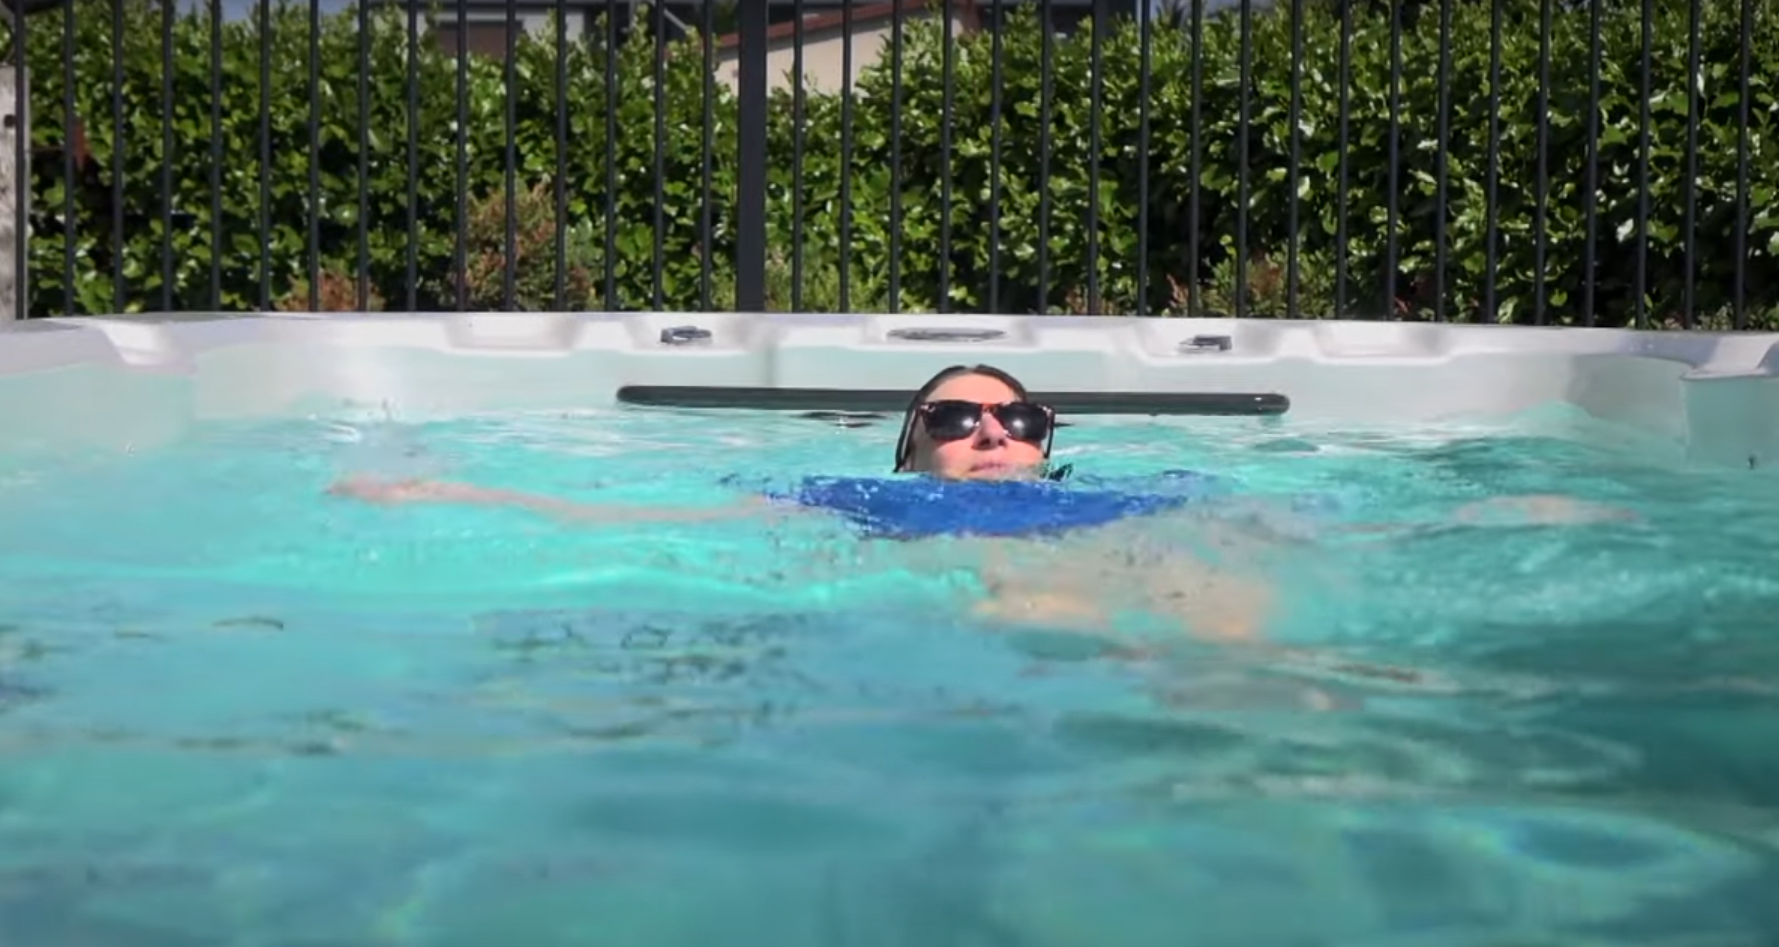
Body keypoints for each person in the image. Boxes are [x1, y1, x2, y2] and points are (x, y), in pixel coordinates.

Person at [327, 363, 1632, 643]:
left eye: (1016, 416)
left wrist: (1471, 523)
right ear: (912, 449)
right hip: (988, 596)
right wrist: (455, 487)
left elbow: (1304, 522)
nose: (992, 429)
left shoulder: (1126, 490)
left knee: (1248, 624)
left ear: (1047, 441)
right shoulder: (852, 495)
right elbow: (669, 532)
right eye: (955, 416)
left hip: (1142, 563)